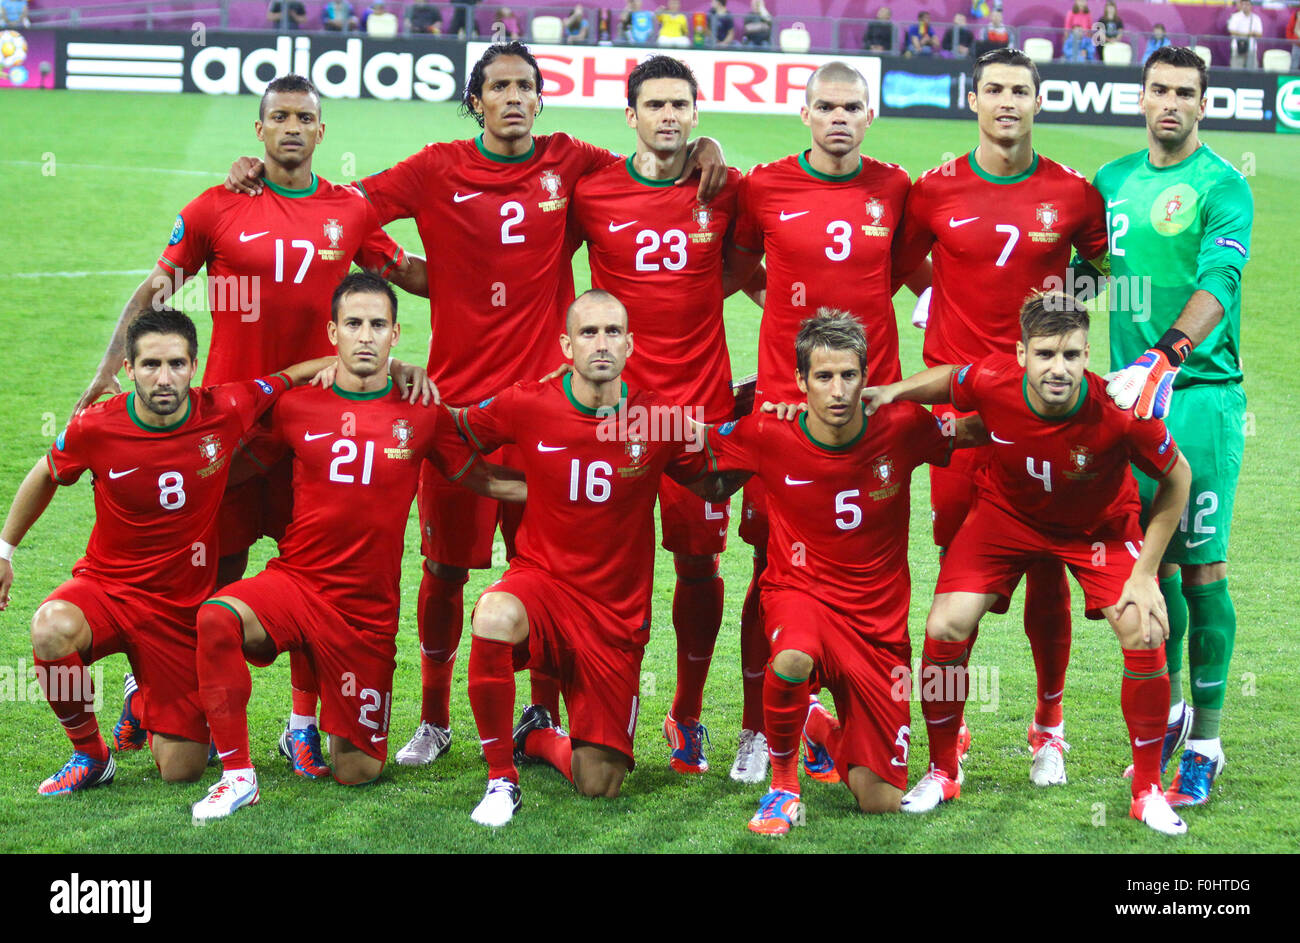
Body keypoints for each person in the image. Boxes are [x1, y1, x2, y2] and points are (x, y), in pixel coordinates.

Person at [226, 44, 727, 769]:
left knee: (555, 572)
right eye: (499, 87)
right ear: (477, 99)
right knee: (444, 566)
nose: (515, 98)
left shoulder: (572, 161)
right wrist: (403, 268)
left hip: (552, 418)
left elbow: (651, 164)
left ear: (541, 98)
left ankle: (542, 711)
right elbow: (346, 210)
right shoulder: (436, 167)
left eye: (527, 86)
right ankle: (434, 718)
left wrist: (706, 142)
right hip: (456, 409)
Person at [74, 75, 429, 780]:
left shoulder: (348, 209)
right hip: (229, 432)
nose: (293, 127)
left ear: (322, 132)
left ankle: (301, 725)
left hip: (318, 432)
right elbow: (155, 292)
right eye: (280, 117)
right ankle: (163, 693)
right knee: (208, 573)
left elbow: (407, 275)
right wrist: (106, 371)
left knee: (311, 579)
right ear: (259, 130)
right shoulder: (217, 207)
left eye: (306, 117)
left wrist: (504, 260)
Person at [190, 273, 525, 823]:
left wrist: (555, 487)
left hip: (366, 613)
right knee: (217, 618)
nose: (364, 336)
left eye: (376, 325)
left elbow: (480, 477)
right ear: (333, 332)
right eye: (353, 324)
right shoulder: (297, 406)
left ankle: (314, 725)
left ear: (396, 333)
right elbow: (241, 469)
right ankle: (237, 775)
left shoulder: (421, 411)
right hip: (296, 583)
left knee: (358, 771)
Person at [875, 293, 1193, 837]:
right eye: (1045, 354)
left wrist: (1145, 575)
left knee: (1144, 630)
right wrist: (891, 392)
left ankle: (1146, 792)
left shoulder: (1120, 410)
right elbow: (953, 379)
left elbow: (1177, 477)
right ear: (1021, 353)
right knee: (944, 625)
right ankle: (943, 770)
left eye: (1071, 355)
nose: (1058, 368)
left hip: (1099, 529)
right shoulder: (996, 381)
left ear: (1087, 354)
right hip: (1006, 517)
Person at [0, 309, 340, 796]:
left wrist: (370, 368)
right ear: (128, 369)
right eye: (151, 364)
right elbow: (45, 474)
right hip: (107, 589)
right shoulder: (95, 427)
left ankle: (141, 697)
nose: (165, 378)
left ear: (194, 365)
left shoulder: (225, 407)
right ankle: (90, 754)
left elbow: (289, 377)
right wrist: (4, 550)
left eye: (177, 364)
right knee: (50, 627)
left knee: (181, 769)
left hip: (180, 611)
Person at [893, 48, 1110, 787]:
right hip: (960, 419)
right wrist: (939, 301)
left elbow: (1097, 272)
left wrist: (1049, 342)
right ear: (973, 98)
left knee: (1048, 572)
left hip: (1040, 416)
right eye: (994, 90)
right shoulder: (933, 191)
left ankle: (1048, 723)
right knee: (960, 582)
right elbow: (900, 263)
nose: (1007, 102)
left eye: (1020, 90)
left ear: (1038, 100)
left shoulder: (1075, 195)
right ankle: (948, 747)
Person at [694, 312, 984, 834]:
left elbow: (973, 429)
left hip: (877, 627)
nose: (837, 389)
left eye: (849, 375)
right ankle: (782, 788)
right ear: (801, 381)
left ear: (865, 377)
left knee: (880, 800)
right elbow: (704, 469)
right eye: (823, 377)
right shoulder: (769, 430)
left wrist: (1039, 401)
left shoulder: (902, 427)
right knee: (791, 656)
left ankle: (814, 724)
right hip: (798, 593)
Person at [461, 290, 734, 826]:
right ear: (566, 344)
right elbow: (458, 433)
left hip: (614, 614)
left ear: (631, 344)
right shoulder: (527, 402)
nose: (601, 343)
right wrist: (501, 483)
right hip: (543, 585)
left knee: (599, 782)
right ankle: (500, 781)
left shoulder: (656, 417)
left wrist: (782, 434)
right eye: (588, 333)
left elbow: (710, 479)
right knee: (493, 614)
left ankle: (536, 735)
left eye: (612, 332)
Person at [723, 61, 914, 784]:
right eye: (826, 106)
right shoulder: (764, 186)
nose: (839, 118)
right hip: (783, 414)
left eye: (853, 107)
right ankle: (755, 727)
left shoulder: (894, 188)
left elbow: (897, 272)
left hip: (869, 419)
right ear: (804, 113)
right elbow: (739, 271)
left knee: (870, 559)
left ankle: (837, 717)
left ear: (871, 115)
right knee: (770, 567)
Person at [568, 56, 744, 778]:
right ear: (630, 116)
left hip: (702, 412)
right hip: (615, 419)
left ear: (697, 114)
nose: (668, 116)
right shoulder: (594, 191)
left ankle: (689, 711)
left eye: (681, 104)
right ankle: (574, 708)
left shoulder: (726, 189)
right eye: (654, 104)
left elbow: (756, 269)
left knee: (698, 562)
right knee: (600, 571)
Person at [1092, 45, 1253, 809]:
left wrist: (1168, 354)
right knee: (1148, 568)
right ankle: (1174, 712)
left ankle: (1209, 741)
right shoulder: (1111, 183)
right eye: (1158, 89)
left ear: (1203, 103)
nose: (1169, 103)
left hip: (1200, 397)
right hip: (1130, 404)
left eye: (1184, 93)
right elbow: (1077, 271)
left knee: (1202, 566)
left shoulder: (1223, 185)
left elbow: (1219, 279)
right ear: (1141, 94)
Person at [1226, 0, 1262, 70]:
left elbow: (1259, 34)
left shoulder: (1256, 18)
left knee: (1252, 72)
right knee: (1236, 71)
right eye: (1243, 4)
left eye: (1247, 4)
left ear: (1251, 6)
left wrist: (1251, 34)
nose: (1245, 6)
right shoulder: (1235, 17)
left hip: (1251, 48)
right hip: (1237, 48)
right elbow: (1231, 31)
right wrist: (1247, 34)